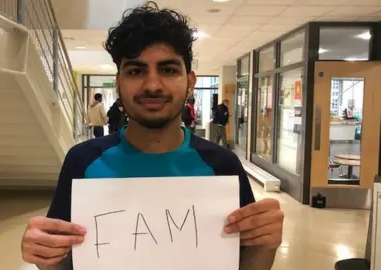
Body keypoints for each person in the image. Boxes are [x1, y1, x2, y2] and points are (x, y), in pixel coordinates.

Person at [21, 2, 284, 270]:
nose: (153, 85)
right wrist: (43, 256)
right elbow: (64, 263)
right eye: (136, 71)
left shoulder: (222, 166)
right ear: (119, 81)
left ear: (190, 81)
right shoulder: (82, 161)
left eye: (168, 70)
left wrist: (267, 244)